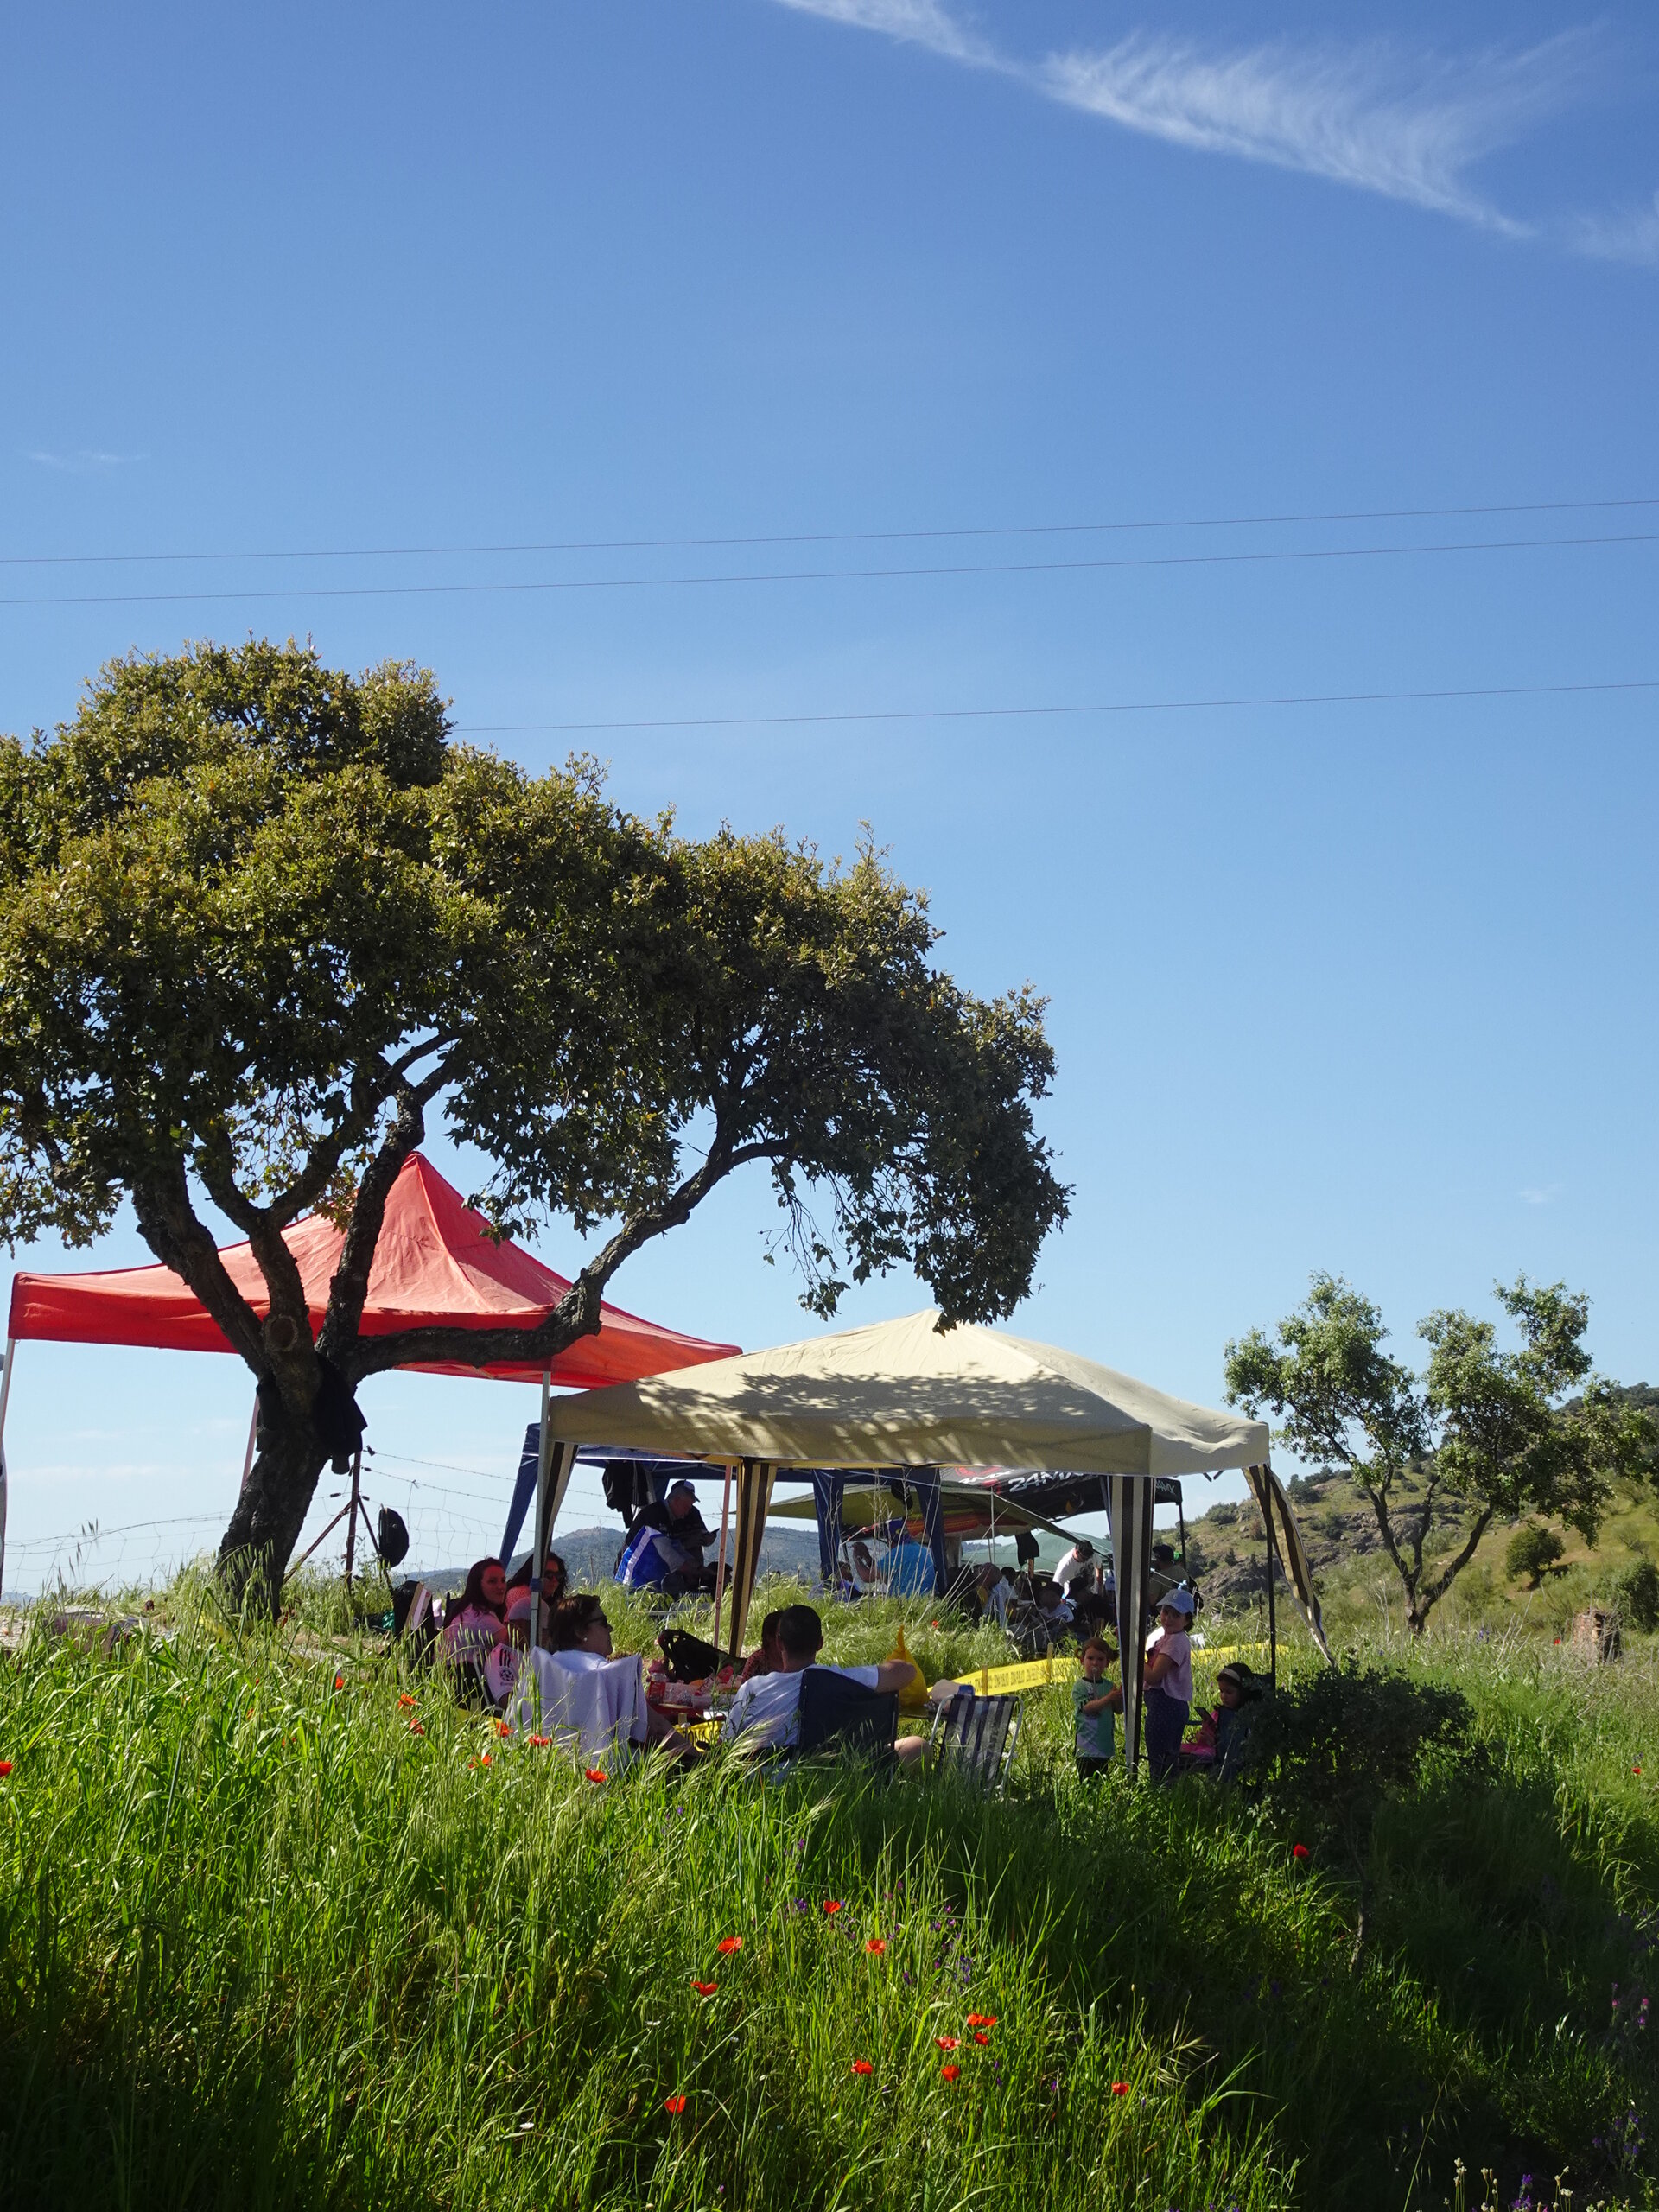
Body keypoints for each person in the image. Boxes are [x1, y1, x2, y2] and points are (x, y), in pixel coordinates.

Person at [721, 1602, 927, 1762]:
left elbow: (726, 1746)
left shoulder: (751, 1689)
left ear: (779, 1642)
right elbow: (907, 1672)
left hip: (761, 1785)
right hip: (829, 1777)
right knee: (918, 1746)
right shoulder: (838, 1679)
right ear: (820, 1643)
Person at [541, 1594, 698, 1759]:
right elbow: (656, 1728)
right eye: (603, 1622)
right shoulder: (609, 1673)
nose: (610, 1628)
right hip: (607, 1772)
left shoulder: (545, 1667)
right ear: (580, 1632)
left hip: (552, 1768)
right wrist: (701, 1759)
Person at [617, 1479, 715, 1594]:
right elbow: (668, 1553)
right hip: (635, 1578)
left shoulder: (673, 1518)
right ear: (677, 1500)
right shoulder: (656, 1513)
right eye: (686, 1507)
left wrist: (699, 1568)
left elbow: (678, 1548)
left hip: (653, 1580)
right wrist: (694, 1572)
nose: (688, 1512)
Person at [1142, 1587, 1195, 1781]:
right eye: (1165, 1612)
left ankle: (1161, 1795)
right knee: (1163, 1759)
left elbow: (1154, 1676)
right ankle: (1165, 1794)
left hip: (1166, 1705)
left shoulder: (1176, 1642)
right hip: (1165, 1705)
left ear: (1187, 1620)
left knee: (1160, 1761)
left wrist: (1136, 1655)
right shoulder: (1167, 1638)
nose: (1168, 1618)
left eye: (1176, 1615)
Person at [445, 1557, 512, 1666]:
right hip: (462, 1679)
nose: (501, 1586)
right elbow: (515, 1649)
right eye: (492, 1581)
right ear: (478, 1586)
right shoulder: (481, 1617)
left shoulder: (468, 1610)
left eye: (503, 1580)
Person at [1072, 1635, 1117, 1780]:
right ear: (1082, 1660)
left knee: (1101, 1782)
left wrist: (1119, 1697)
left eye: (1100, 1659)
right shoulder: (1080, 1686)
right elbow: (1087, 1708)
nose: (1095, 1663)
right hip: (1086, 1749)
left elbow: (1118, 1710)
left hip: (1104, 1747)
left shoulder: (1109, 1686)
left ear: (1107, 1663)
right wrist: (1109, 1698)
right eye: (1090, 1658)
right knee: (1087, 1783)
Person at [505, 1548, 567, 1639]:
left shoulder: (542, 1600)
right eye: (549, 1575)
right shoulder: (520, 1594)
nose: (554, 1580)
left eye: (558, 1576)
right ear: (534, 1574)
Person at [739, 1609, 785, 1682]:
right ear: (769, 1637)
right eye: (781, 1634)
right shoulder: (756, 1661)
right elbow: (746, 1689)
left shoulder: (791, 1657)